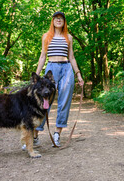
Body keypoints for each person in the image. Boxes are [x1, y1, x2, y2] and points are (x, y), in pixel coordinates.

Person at [33, 11, 84, 147]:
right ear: (53, 21)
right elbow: (43, 56)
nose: (59, 20)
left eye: (61, 18)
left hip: (67, 69)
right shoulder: (46, 36)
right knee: (44, 102)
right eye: (56, 18)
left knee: (64, 102)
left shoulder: (68, 37)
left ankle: (57, 134)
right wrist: (36, 76)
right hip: (51, 69)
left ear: (64, 21)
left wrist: (78, 74)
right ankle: (35, 136)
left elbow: (72, 57)